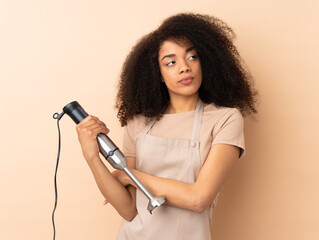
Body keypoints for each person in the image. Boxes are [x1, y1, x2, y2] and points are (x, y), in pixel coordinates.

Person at [75, 13, 257, 240]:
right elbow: (129, 210)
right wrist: (92, 157)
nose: (184, 67)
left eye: (192, 57)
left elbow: (198, 199)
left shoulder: (225, 119)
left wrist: (129, 176)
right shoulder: (138, 123)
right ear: (157, 74)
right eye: (170, 62)